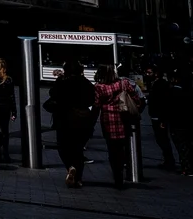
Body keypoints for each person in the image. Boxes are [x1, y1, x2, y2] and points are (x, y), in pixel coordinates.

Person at [93, 64, 143, 189]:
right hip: (123, 119)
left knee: (112, 150)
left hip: (108, 122)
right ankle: (123, 170)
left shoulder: (99, 88)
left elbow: (96, 105)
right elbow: (135, 97)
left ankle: (117, 176)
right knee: (122, 148)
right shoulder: (123, 83)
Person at [49, 60, 95, 188]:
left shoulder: (63, 82)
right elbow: (92, 99)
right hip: (82, 120)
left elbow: (52, 94)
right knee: (78, 149)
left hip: (64, 119)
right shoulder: (86, 83)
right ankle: (78, 177)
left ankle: (70, 166)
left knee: (63, 147)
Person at [145, 65, 176, 169]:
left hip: (159, 116)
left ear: (156, 73)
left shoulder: (161, 85)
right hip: (155, 115)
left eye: (150, 73)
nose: (147, 75)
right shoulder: (154, 84)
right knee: (160, 139)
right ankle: (168, 159)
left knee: (162, 139)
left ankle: (169, 161)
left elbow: (164, 102)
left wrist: (162, 119)